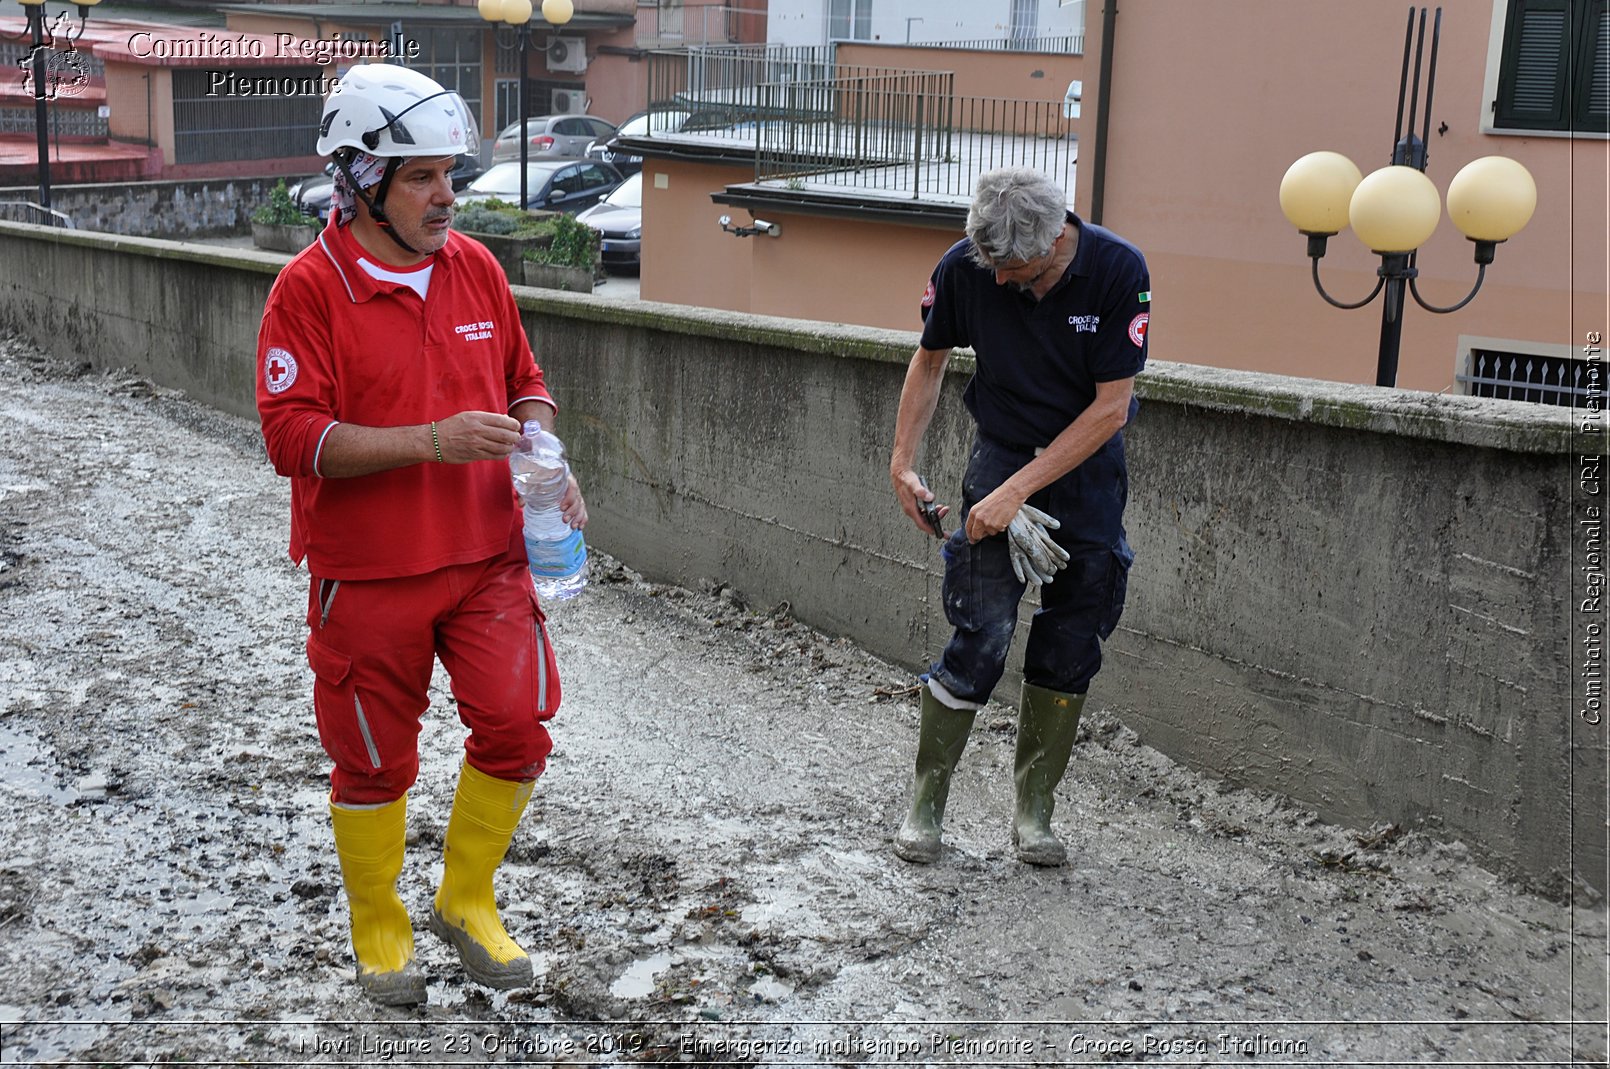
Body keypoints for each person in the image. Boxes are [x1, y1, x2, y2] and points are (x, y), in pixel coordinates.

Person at [255, 64, 587, 1006]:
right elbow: (293, 438)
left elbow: (526, 381)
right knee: (373, 760)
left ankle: (465, 899)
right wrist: (431, 442)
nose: (448, 196)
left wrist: (546, 457)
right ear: (362, 181)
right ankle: (380, 930)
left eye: (452, 175)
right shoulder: (307, 291)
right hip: (368, 576)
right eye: (422, 177)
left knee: (518, 727)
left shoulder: (475, 266)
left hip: (489, 557)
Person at [888, 167, 1148, 867]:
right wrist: (903, 461)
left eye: (1014, 268)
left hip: (1086, 475)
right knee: (980, 634)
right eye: (989, 266)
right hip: (1000, 453)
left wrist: (1016, 493)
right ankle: (925, 806)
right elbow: (930, 357)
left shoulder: (1118, 270)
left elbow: (1110, 408)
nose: (998, 281)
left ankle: (1034, 814)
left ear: (1055, 240)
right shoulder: (969, 268)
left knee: (1070, 643)